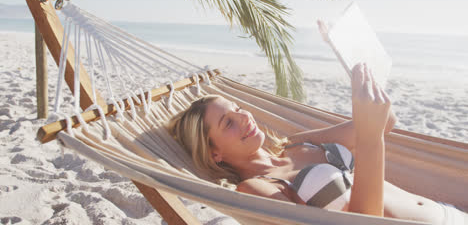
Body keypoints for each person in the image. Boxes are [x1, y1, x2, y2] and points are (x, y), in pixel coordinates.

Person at [167, 63, 467, 225]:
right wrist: (371, 140)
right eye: (227, 123)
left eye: (237, 109)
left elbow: (385, 120)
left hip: (450, 212)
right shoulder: (256, 189)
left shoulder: (293, 144)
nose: (243, 117)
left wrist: (361, 77)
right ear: (214, 153)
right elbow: (364, 222)